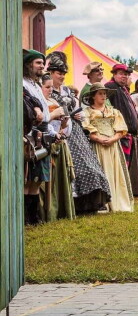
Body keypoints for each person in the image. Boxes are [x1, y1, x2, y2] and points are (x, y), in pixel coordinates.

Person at [46, 52, 111, 214]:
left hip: (75, 130)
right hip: (58, 131)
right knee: (73, 169)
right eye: (59, 73)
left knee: (90, 165)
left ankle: (91, 203)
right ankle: (72, 205)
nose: (62, 77)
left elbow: (78, 111)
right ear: (51, 73)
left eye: (63, 74)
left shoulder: (67, 91)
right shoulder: (47, 92)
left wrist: (77, 114)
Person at [82, 83, 134, 213]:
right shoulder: (87, 112)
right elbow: (87, 128)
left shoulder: (113, 111)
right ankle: (101, 203)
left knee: (115, 171)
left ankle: (117, 201)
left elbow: (121, 128)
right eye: (100, 93)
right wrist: (98, 138)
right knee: (101, 171)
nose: (103, 96)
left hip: (113, 146)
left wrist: (113, 139)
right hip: (97, 146)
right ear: (93, 96)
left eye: (104, 93)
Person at [40, 73, 76, 221]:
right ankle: (45, 213)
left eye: (50, 87)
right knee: (46, 184)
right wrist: (53, 115)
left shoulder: (54, 100)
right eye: (46, 87)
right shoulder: (40, 103)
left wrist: (64, 124)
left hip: (59, 143)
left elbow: (63, 128)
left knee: (60, 181)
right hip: (46, 144)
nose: (50, 90)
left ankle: (61, 211)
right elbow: (42, 123)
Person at [105, 64, 138, 198]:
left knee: (125, 167)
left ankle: (124, 194)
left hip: (129, 135)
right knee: (119, 167)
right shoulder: (110, 88)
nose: (124, 76)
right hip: (119, 134)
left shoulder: (123, 89)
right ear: (114, 74)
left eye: (126, 74)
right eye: (121, 73)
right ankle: (116, 195)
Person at [22, 49, 52, 225]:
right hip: (33, 133)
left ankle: (34, 217)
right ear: (28, 65)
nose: (42, 66)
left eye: (43, 63)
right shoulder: (23, 84)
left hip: (44, 133)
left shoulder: (35, 84)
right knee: (29, 176)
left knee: (38, 178)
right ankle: (26, 218)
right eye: (38, 63)